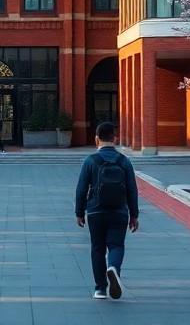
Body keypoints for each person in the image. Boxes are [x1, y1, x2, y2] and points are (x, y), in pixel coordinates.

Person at [74, 121, 138, 301]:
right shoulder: (124, 161)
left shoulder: (90, 161)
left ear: (96, 139)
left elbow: (81, 189)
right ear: (115, 139)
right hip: (119, 211)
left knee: (97, 248)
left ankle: (100, 289)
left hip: (95, 211)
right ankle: (114, 269)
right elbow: (132, 189)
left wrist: (79, 212)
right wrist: (134, 215)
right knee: (116, 245)